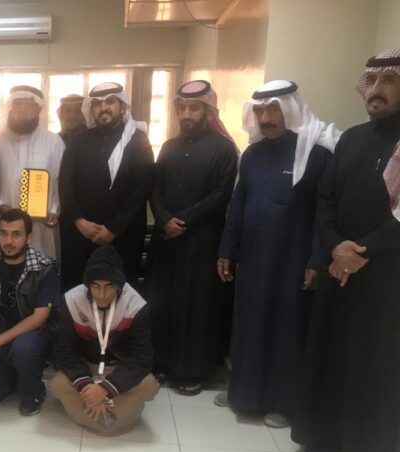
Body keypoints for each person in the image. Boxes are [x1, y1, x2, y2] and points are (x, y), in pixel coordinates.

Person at [291, 50, 400, 452]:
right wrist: (336, 246)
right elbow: (326, 199)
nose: (377, 90)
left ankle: (380, 450)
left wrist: (363, 251)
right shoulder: (352, 139)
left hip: (387, 274)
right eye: (372, 81)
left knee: (379, 361)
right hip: (340, 269)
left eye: (389, 81)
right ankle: (330, 433)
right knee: (334, 351)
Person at [216, 80, 339, 428]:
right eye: (260, 111)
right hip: (254, 259)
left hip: (293, 260)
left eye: (273, 109)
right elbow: (238, 206)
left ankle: (283, 404)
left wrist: (316, 259)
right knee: (249, 323)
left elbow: (324, 213)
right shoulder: (252, 154)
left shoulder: (315, 153)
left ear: (290, 109)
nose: (266, 118)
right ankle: (244, 394)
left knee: (287, 328)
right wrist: (227, 249)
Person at [145, 80, 238, 395]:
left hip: (202, 241)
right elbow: (155, 188)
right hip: (166, 240)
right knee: (163, 301)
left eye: (193, 108)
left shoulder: (223, 148)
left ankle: (192, 369)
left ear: (208, 111)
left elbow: (221, 194)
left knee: (196, 304)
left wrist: (181, 221)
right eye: (182, 108)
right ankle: (161, 363)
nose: (186, 114)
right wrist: (163, 219)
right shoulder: (169, 146)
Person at [50, 245, 159, 436]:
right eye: (95, 286)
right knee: (58, 384)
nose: (101, 294)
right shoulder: (72, 300)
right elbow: (64, 351)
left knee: (148, 386)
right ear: (87, 284)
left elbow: (143, 358)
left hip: (118, 370)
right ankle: (102, 410)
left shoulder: (135, 305)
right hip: (85, 368)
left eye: (109, 286)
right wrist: (87, 386)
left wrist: (106, 388)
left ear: (119, 285)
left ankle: (96, 412)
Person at [59, 82, 154, 290]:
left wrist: (113, 229)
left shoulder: (138, 140)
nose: (103, 108)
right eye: (97, 104)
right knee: (80, 290)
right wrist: (79, 220)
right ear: (91, 109)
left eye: (110, 102)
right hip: (82, 235)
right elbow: (66, 185)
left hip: (124, 235)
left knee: (120, 291)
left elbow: (141, 189)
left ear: (122, 106)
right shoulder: (79, 141)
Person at [0, 209, 60, 415]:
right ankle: (14, 377)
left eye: (16, 234)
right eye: (4, 233)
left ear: (29, 237)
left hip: (33, 338)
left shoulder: (44, 267)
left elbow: (39, 318)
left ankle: (33, 393)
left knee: (22, 349)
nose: (8, 241)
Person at [0, 85, 64, 260]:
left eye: (28, 105)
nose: (22, 110)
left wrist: (54, 210)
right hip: (5, 221)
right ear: (10, 108)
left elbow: (62, 181)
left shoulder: (54, 142)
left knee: (41, 269)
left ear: (39, 109)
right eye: (18, 104)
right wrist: (0, 206)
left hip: (42, 225)